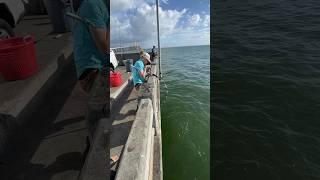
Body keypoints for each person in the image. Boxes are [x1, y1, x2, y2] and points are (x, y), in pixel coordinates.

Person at [72, 0, 109, 144]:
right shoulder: (93, 4)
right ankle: (94, 150)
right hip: (94, 71)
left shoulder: (99, 5)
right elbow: (104, 46)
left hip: (97, 68)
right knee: (99, 122)